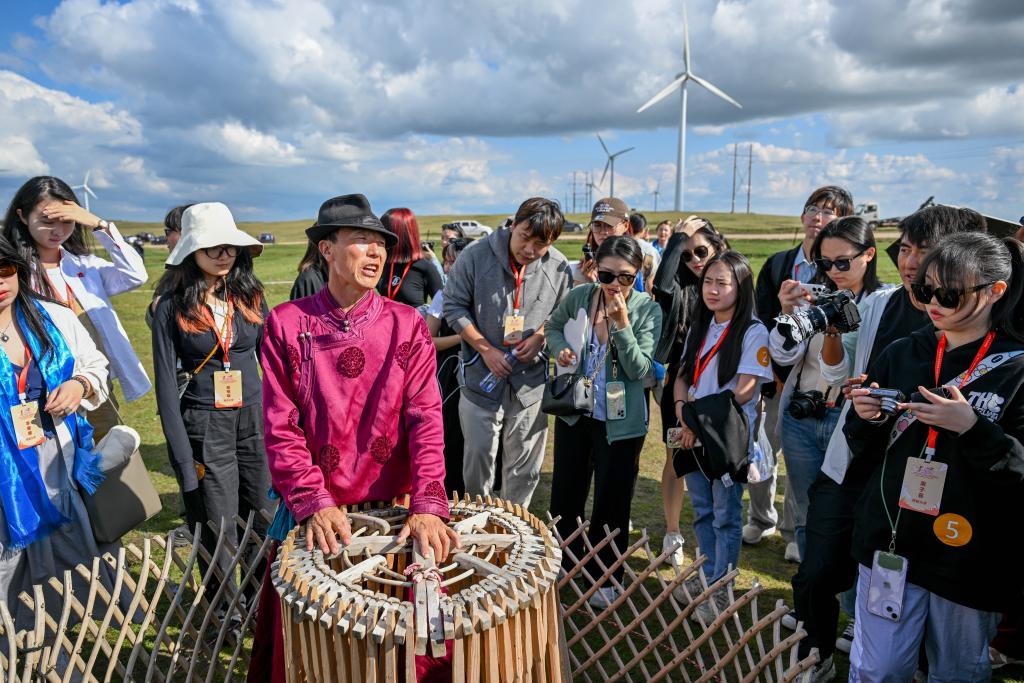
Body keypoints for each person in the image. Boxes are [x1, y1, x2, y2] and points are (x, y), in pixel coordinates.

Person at [249, 193, 457, 683]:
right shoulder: (288, 324)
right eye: (361, 240)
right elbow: (281, 426)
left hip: (397, 515)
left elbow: (426, 417)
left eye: (380, 243)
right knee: (319, 654)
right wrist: (313, 501)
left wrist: (428, 503)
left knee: (412, 652)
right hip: (323, 519)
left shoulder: (406, 324)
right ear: (327, 249)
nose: (376, 252)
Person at [790, 204, 986, 675]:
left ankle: (901, 660)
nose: (911, 261)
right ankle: (813, 656)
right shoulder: (880, 304)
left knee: (910, 582)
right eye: (906, 249)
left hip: (919, 480)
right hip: (853, 460)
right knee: (817, 569)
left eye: (924, 250)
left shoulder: (971, 326)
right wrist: (833, 333)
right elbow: (838, 372)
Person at [844, 232, 1024, 681]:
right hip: (892, 541)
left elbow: (1019, 468)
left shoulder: (1018, 367)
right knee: (878, 670)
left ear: (995, 290)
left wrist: (973, 428)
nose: (933, 304)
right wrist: (866, 417)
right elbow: (861, 447)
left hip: (969, 553)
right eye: (924, 291)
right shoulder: (904, 350)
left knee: (958, 672)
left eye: (948, 293)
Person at [151, 202, 274, 611]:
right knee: (217, 526)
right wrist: (183, 460)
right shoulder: (171, 306)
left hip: (255, 421)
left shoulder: (251, 296)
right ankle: (224, 615)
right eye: (212, 247)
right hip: (204, 423)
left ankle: (261, 606)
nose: (224, 254)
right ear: (191, 251)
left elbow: (273, 363)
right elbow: (166, 387)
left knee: (263, 514)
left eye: (229, 246)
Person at [0, 234, 109, 631]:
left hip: (54, 460)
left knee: (65, 554)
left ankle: (62, 637)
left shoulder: (54, 317)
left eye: (5, 269)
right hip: (4, 472)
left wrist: (80, 384)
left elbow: (96, 364)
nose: (0, 281)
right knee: (9, 563)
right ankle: (15, 644)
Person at [547, 236, 662, 608]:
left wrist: (622, 324)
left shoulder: (646, 310)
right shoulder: (580, 297)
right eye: (608, 274)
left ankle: (605, 577)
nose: (615, 284)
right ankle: (563, 564)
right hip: (576, 414)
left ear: (637, 275)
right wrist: (558, 348)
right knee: (567, 492)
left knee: (612, 501)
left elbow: (639, 369)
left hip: (621, 421)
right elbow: (553, 326)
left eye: (626, 277)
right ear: (595, 268)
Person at [747, 185, 854, 560]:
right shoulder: (778, 264)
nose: (818, 218)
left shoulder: (840, 272)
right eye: (813, 209)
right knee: (762, 449)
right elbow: (758, 319)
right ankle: (760, 518)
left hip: (816, 378)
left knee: (799, 457)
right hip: (774, 375)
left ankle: (794, 530)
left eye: (829, 212)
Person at [444, 197, 571, 507]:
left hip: (529, 385)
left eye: (540, 244)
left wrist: (540, 337)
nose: (529, 249)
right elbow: (453, 306)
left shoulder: (559, 267)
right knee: (478, 459)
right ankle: (478, 523)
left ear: (552, 241)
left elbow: (561, 315)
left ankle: (514, 525)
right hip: (480, 378)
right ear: (514, 225)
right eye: (524, 237)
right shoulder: (475, 256)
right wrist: (485, 349)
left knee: (525, 464)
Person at [2, 176, 150, 440]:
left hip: (90, 380)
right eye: (47, 221)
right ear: (23, 217)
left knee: (106, 451)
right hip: (37, 386)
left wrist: (99, 224)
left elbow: (135, 275)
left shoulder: (86, 266)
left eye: (67, 220)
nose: (57, 230)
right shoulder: (12, 273)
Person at [671, 250, 772, 622]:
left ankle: (722, 589)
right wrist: (682, 410)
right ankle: (708, 574)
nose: (712, 290)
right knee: (700, 509)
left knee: (725, 513)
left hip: (726, 436)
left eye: (722, 283)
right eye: (708, 281)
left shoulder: (754, 330)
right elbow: (682, 374)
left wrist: (695, 418)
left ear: (741, 287)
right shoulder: (700, 324)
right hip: (693, 431)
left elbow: (746, 389)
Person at [771, 216, 880, 557]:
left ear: (869, 255)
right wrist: (788, 310)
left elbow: (846, 372)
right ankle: (809, 591)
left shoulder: (883, 303)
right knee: (805, 510)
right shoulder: (816, 299)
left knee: (845, 512)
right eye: (824, 263)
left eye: (842, 262)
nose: (833, 271)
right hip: (802, 415)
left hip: (847, 419)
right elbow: (781, 354)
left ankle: (844, 601)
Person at [652, 216, 730, 571]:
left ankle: (714, 537)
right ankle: (672, 531)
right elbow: (661, 284)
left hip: (720, 389)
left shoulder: (733, 285)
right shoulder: (680, 290)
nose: (695, 260)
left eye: (701, 251)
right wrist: (678, 239)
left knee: (716, 461)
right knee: (676, 459)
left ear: (717, 248)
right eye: (686, 255)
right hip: (680, 386)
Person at [426, 237, 472, 495]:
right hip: (450, 377)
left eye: (456, 261)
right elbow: (428, 341)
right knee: (452, 435)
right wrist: (463, 336)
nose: (449, 268)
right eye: (447, 261)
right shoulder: (442, 297)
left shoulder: (484, 294)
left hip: (482, 375)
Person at [375, 208, 443, 309]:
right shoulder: (384, 263)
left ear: (400, 235)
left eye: (385, 232)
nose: (381, 236)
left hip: (414, 324)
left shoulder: (425, 268)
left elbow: (442, 309)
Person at [572, 198, 643, 293]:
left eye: (610, 225)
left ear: (625, 225)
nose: (603, 232)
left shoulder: (645, 262)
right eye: (597, 225)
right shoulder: (580, 270)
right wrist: (590, 284)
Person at [629, 211, 661, 288]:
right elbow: (650, 278)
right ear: (643, 230)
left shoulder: (617, 246)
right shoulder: (649, 250)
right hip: (642, 294)